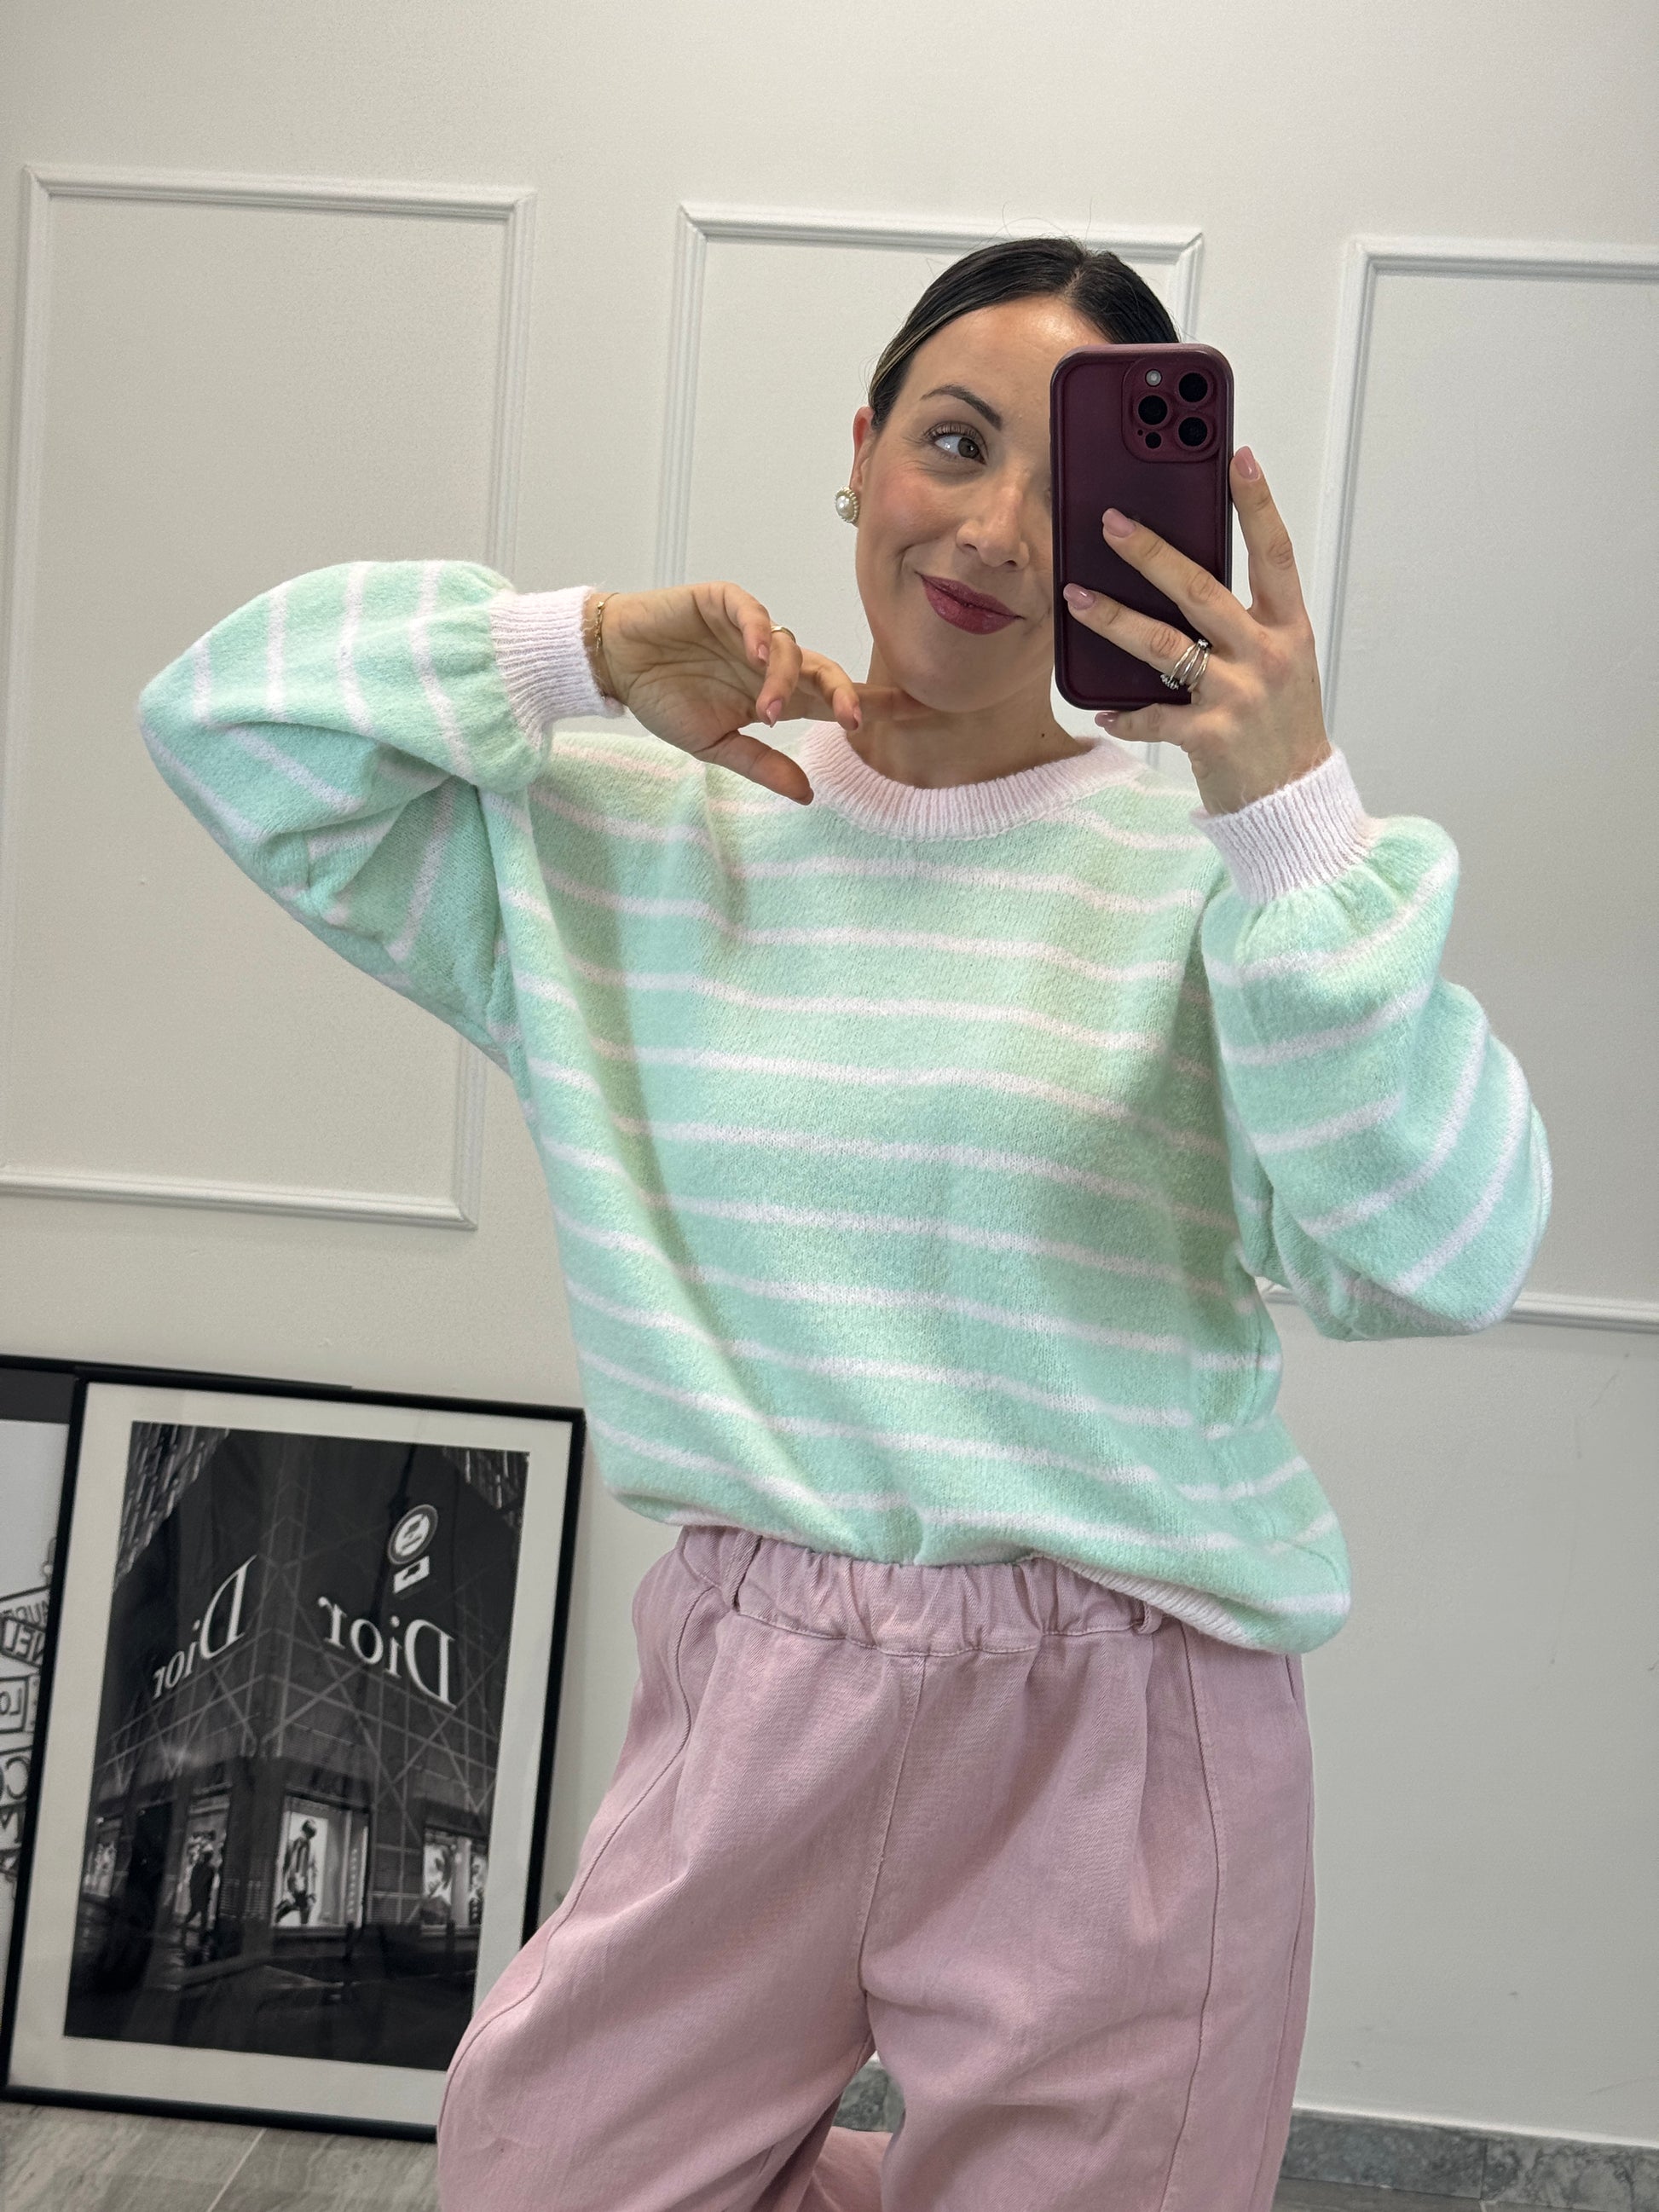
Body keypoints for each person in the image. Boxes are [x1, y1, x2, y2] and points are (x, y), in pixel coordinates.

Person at [137, 238, 1549, 2212]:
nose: (992, 530)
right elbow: (223, 718)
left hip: (1124, 1716)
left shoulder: (1221, 867)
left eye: (1072, 493)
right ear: (864, 444)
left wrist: (1291, 813)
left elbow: (1434, 1252)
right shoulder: (644, 822)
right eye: (953, 441)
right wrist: (578, 653)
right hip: (756, 1682)